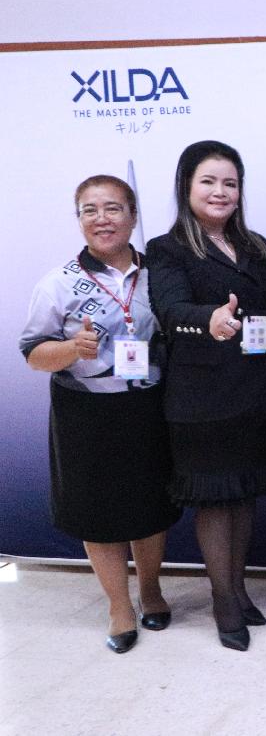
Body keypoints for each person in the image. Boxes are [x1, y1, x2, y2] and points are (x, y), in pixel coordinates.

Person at [19, 176, 181, 654]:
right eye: (89, 210)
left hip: (149, 407)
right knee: (97, 513)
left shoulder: (160, 274)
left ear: (133, 215)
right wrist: (72, 348)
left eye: (112, 208)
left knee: (151, 505)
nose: (102, 219)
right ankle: (118, 606)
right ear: (79, 220)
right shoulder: (58, 282)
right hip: (86, 414)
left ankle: (151, 589)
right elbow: (33, 354)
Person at [147, 140, 266, 652]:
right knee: (214, 498)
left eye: (230, 183)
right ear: (186, 186)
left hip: (253, 390)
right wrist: (208, 319)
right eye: (208, 181)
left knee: (243, 493)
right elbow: (170, 309)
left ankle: (239, 588)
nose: (220, 191)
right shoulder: (168, 249)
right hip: (201, 397)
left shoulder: (255, 245)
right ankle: (224, 601)